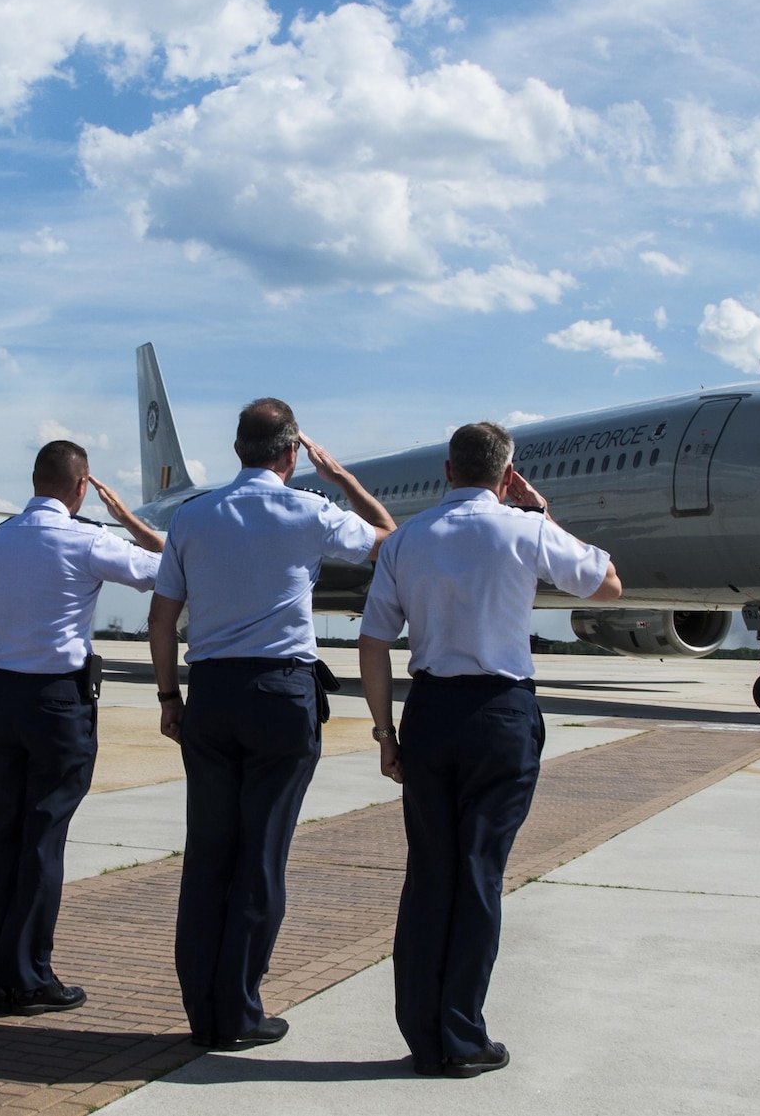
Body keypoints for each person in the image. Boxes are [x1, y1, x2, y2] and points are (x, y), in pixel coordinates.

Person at [356, 422, 620, 1079]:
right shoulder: (524, 527)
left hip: (430, 712)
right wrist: (539, 515)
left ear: (446, 471)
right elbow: (607, 583)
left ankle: (422, 1033)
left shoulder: (407, 538)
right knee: (478, 874)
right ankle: (463, 1034)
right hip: (499, 714)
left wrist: (386, 731)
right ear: (507, 475)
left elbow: (373, 641)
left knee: (429, 874)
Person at [148, 399, 393, 1050]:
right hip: (281, 695)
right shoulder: (309, 510)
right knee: (261, 856)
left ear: (237, 450)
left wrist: (170, 695)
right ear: (291, 453)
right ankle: (239, 1009)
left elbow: (161, 619)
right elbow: (390, 542)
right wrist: (340, 477)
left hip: (213, 692)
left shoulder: (191, 515)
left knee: (208, 853)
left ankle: (204, 1009)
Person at [0, 441, 165, 1016]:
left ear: (34, 479)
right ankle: (30, 975)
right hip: (56, 703)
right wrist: (130, 522)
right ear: (82, 485)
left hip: (0, 698)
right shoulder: (88, 538)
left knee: (0, 836)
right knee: (42, 839)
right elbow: (168, 568)